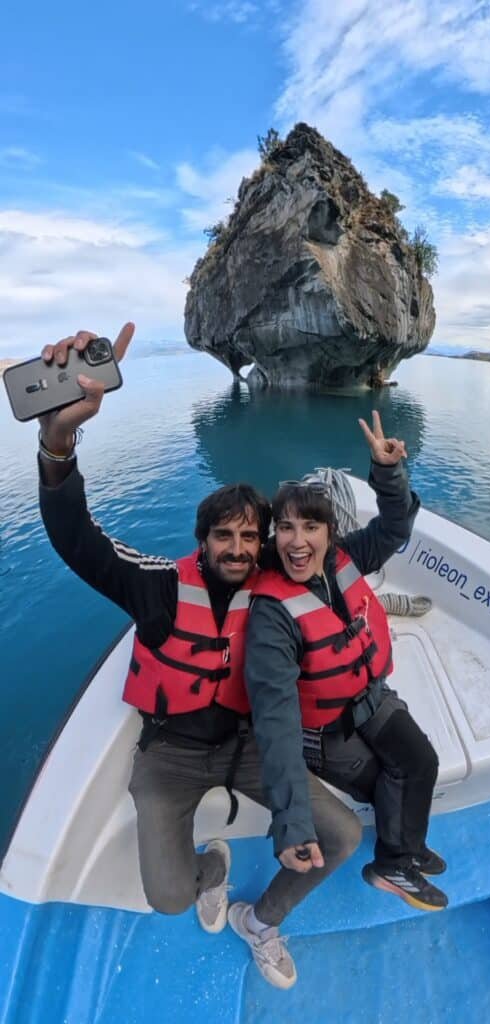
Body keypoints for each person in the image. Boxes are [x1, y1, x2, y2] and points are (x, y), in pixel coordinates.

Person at [36, 324, 363, 990]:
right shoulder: (155, 584)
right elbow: (76, 536)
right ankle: (211, 870)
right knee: (169, 899)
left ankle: (262, 920)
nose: (239, 549)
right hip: (171, 756)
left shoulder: (279, 590)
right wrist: (58, 439)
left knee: (344, 836)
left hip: (249, 747)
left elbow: (348, 557)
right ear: (202, 539)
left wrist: (389, 480)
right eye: (224, 536)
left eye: (251, 536)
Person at [242, 410, 448, 919]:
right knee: (387, 775)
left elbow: (396, 527)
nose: (297, 541)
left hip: (368, 697)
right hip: (324, 731)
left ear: (330, 532)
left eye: (311, 526)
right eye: (285, 528)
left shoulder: (345, 558)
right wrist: (292, 822)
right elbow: (276, 720)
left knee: (421, 760)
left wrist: (388, 475)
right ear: (274, 537)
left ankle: (401, 854)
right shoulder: (273, 616)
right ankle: (392, 863)